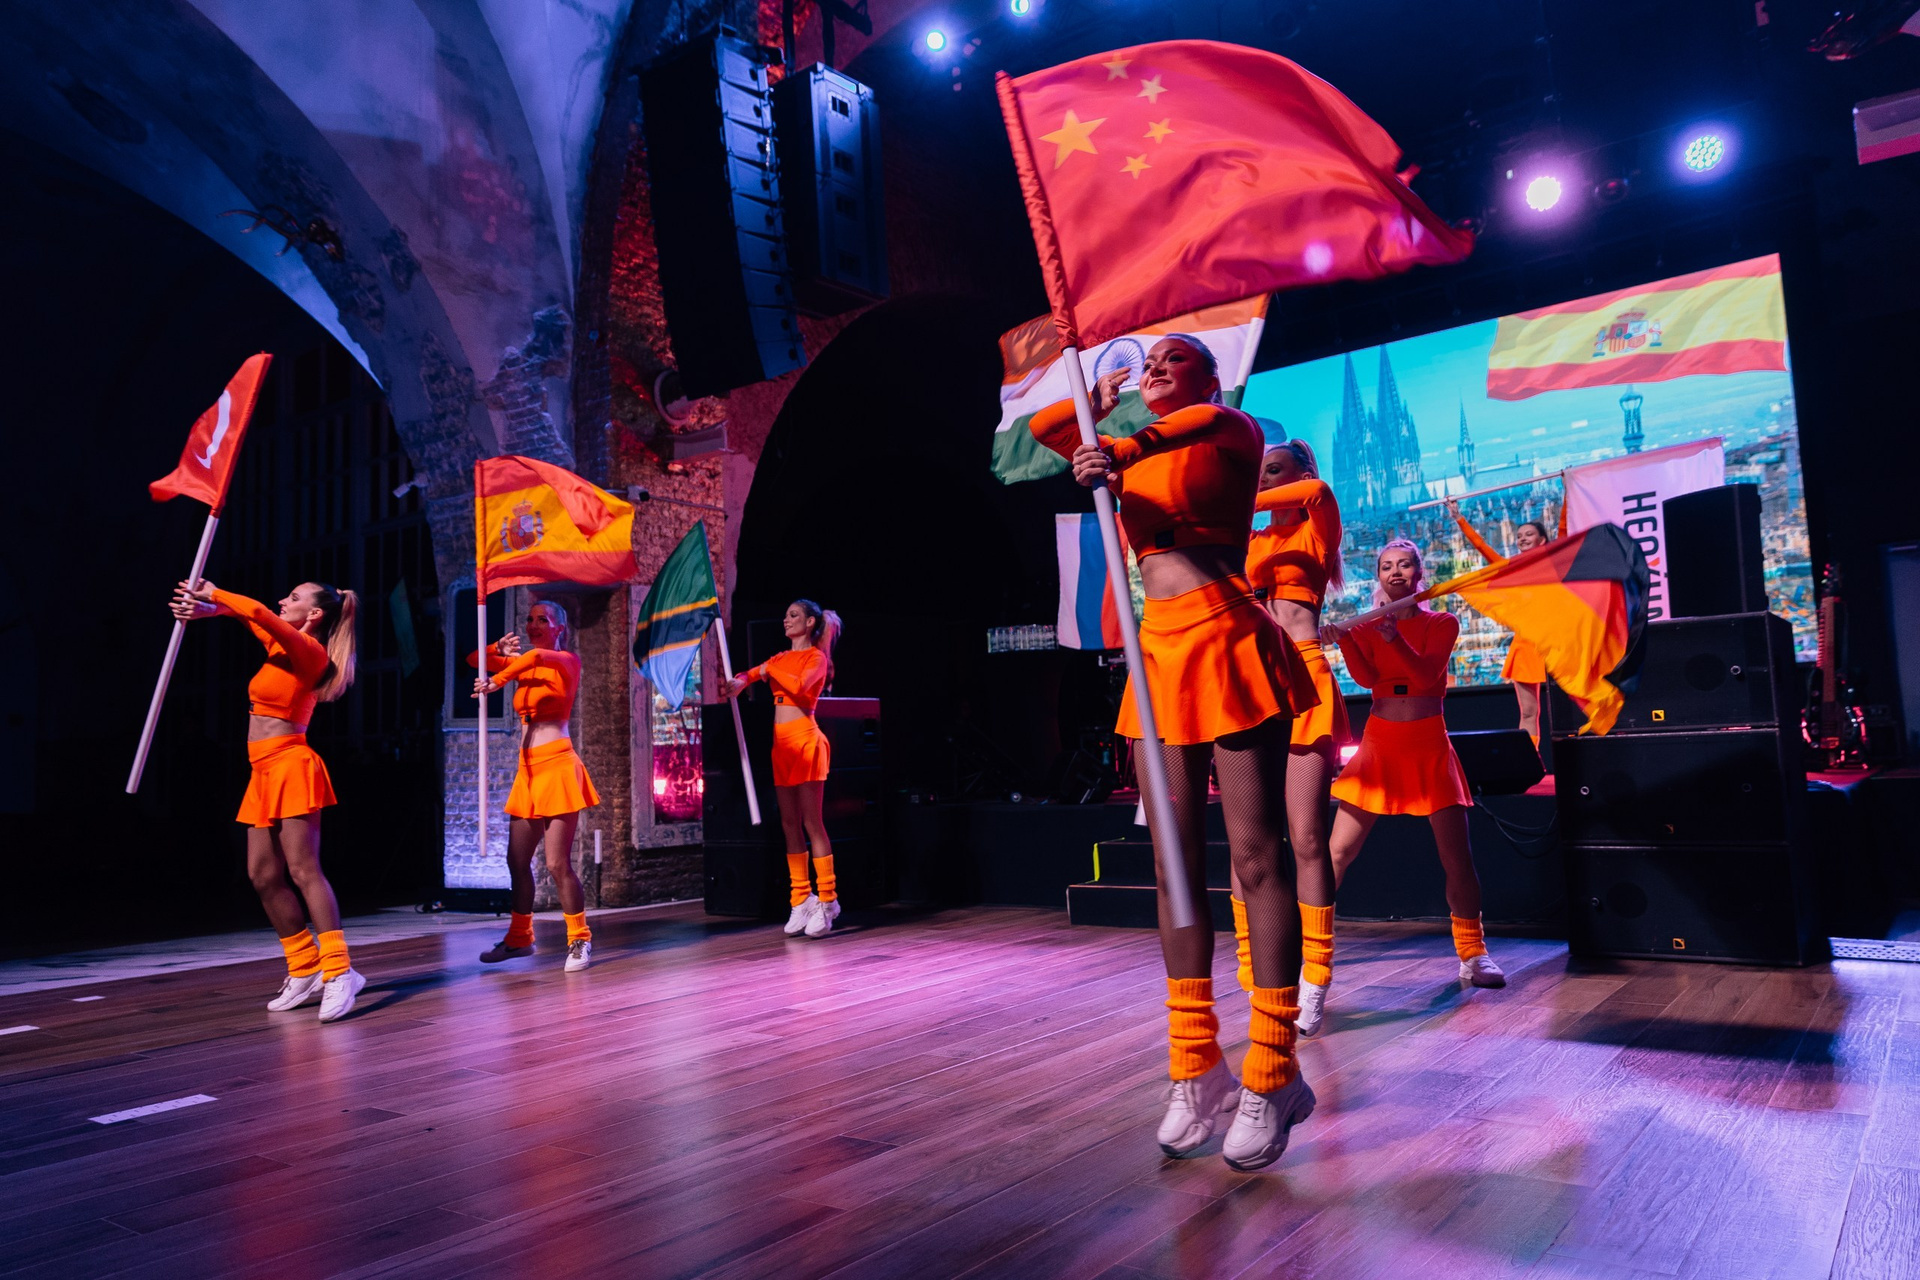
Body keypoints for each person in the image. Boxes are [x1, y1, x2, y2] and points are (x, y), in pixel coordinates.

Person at [1032, 336, 1319, 1171]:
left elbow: (1154, 439)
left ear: (1213, 377)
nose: (1156, 365)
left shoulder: (1229, 428)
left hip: (1228, 638)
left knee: (1257, 859)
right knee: (1173, 869)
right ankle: (1196, 1064)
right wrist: (1093, 400)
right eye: (1149, 359)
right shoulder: (1130, 442)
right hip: (1157, 655)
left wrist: (1114, 446)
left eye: (1177, 357)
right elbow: (1048, 428)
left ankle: (1274, 1069)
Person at [170, 578, 365, 1022]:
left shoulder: (309, 651)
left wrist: (215, 593)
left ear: (315, 614)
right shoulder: (284, 645)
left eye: (293, 598)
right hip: (261, 770)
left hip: (291, 764)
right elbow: (252, 620)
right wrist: (214, 611)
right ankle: (304, 966)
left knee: (303, 870)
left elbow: (258, 613)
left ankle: (340, 971)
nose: (282, 600)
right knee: (261, 875)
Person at [1321, 540, 1506, 992]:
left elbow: (1425, 676)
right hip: (1379, 744)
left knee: (1456, 858)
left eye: (1404, 564)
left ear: (1419, 572)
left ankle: (1473, 953)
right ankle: (1308, 950)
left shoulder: (1442, 622)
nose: (1395, 572)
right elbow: (1367, 679)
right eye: (1387, 566)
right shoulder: (1367, 625)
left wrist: (1393, 638)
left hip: (1428, 744)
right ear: (1378, 575)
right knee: (1336, 853)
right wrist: (1347, 641)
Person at [1244, 439, 1346, 1038]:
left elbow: (1317, 493)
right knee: (1250, 839)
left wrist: (1241, 497)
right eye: (1255, 474)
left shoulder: (1315, 526)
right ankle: (1254, 977)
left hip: (1305, 676)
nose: (1261, 482)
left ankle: (1315, 979)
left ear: (1300, 472)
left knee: (1307, 836)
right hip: (1254, 683)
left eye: (1272, 471)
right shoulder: (1251, 539)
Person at [470, 600, 598, 972]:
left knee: (557, 863)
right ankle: (519, 938)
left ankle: (580, 939)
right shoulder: (524, 663)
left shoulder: (566, 660)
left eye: (543, 619)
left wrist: (497, 681)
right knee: (516, 861)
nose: (533, 624)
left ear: (560, 627)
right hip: (527, 771)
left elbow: (536, 656)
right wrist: (496, 649)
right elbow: (473, 659)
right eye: (529, 619)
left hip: (557, 766)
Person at [723, 600, 842, 938]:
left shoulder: (816, 658)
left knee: (811, 822)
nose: (786, 620)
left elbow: (800, 686)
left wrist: (770, 670)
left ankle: (828, 900)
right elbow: (750, 674)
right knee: (789, 824)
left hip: (805, 742)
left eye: (793, 615)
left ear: (810, 622)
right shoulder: (779, 659)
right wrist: (739, 682)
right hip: (783, 747)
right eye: (786, 615)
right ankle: (800, 898)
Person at [1445, 497, 1566, 747]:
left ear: (1542, 540)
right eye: (1519, 535)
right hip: (1526, 647)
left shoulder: (1555, 563)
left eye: (1529, 534)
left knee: (1566, 710)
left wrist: (1569, 491)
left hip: (1557, 644)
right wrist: (1459, 518)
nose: (1522, 538)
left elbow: (1564, 532)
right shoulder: (1510, 568)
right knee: (1529, 713)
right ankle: (1531, 760)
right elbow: (1482, 547)